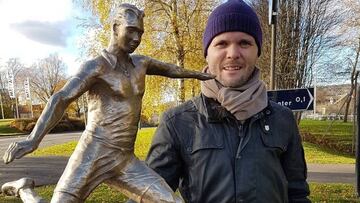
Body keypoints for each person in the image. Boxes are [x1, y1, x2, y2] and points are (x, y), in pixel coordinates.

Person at [1, 3, 213, 203]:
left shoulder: (141, 63)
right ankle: (24, 188)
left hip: (125, 160)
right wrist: (32, 140)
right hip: (93, 154)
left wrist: (203, 75)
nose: (136, 38)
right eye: (131, 30)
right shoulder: (96, 67)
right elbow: (61, 98)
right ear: (115, 27)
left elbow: (172, 70)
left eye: (140, 33)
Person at [131, 0, 311, 202]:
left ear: (257, 51)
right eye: (222, 43)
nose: (233, 54)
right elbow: (147, 195)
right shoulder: (177, 123)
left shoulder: (283, 119)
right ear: (207, 54)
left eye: (244, 43)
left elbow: (297, 194)